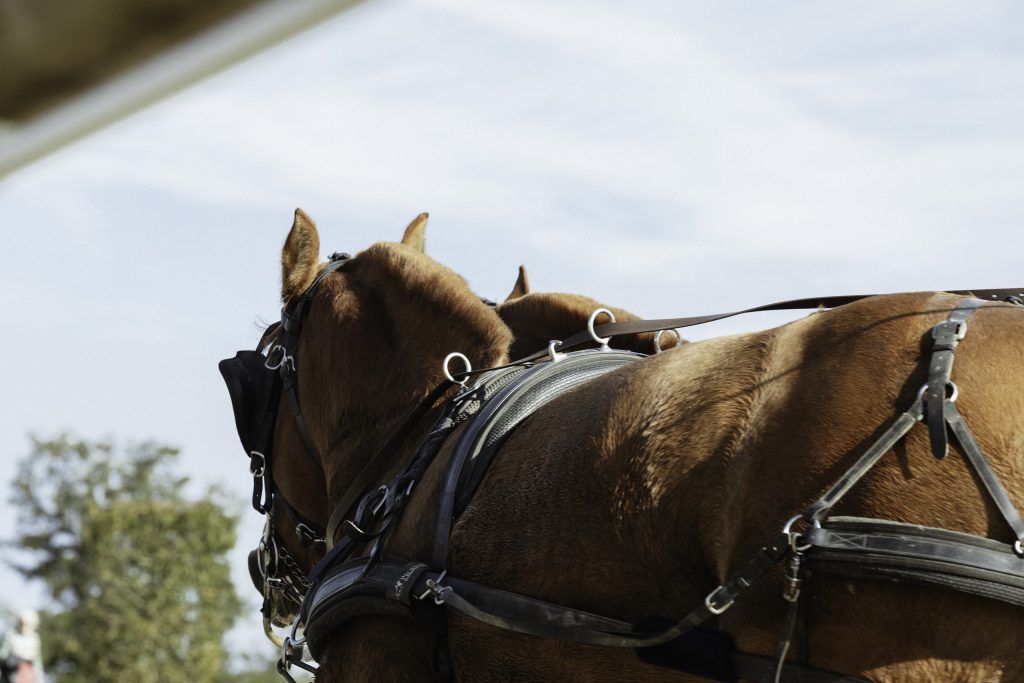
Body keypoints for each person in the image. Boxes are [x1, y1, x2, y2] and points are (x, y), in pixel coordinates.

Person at [0, 611, 43, 683]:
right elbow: (3, 655)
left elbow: (37, 662)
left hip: (28, 675)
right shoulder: (11, 636)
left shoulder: (35, 639)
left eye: (26, 624)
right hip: (11, 673)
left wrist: (39, 679)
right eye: (22, 623)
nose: (24, 626)